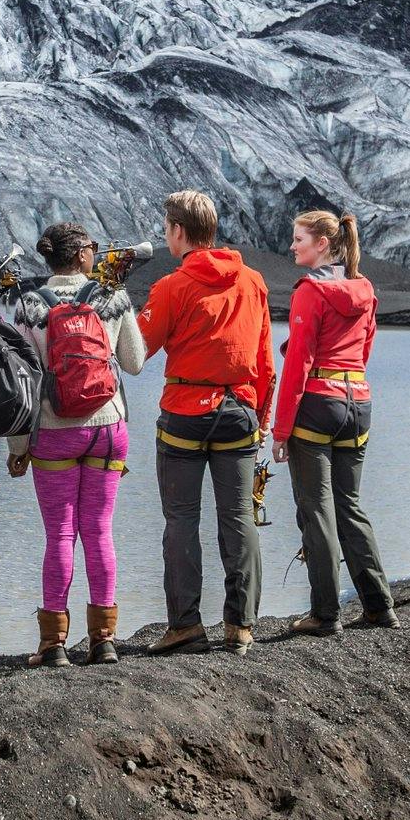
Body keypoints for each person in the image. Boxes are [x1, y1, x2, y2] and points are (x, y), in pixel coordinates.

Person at [0, 221, 147, 666]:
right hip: (107, 429)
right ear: (83, 253)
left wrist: (17, 447)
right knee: (99, 531)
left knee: (60, 534)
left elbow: (20, 382)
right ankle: (104, 639)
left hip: (53, 432)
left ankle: (53, 644)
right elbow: (135, 363)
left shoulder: (28, 305)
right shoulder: (111, 297)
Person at [137, 189, 273, 655]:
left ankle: (185, 625)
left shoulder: (171, 287)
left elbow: (137, 351)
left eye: (166, 227)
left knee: (181, 520)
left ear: (178, 231)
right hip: (240, 412)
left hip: (184, 413)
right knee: (237, 517)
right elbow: (264, 362)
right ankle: (241, 625)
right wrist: (263, 417)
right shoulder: (253, 281)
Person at [272, 210, 397, 634]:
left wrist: (280, 430)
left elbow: (298, 365)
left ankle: (325, 614)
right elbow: (364, 352)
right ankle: (379, 606)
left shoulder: (310, 291)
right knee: (349, 506)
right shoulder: (365, 289)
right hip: (358, 403)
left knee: (317, 511)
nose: (292, 246)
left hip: (318, 405)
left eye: (299, 239)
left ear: (323, 244)